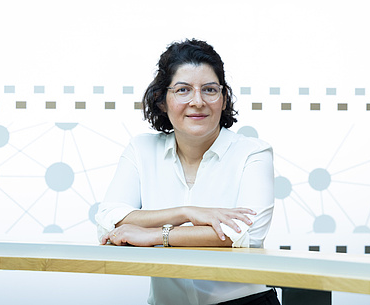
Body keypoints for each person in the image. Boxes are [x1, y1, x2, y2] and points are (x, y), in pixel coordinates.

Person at [95, 39, 279, 305]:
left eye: (209, 90)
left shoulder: (253, 153)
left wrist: (156, 234)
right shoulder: (141, 149)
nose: (198, 101)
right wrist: (186, 213)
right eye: (183, 90)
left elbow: (246, 234)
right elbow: (108, 221)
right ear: (161, 100)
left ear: (224, 99)